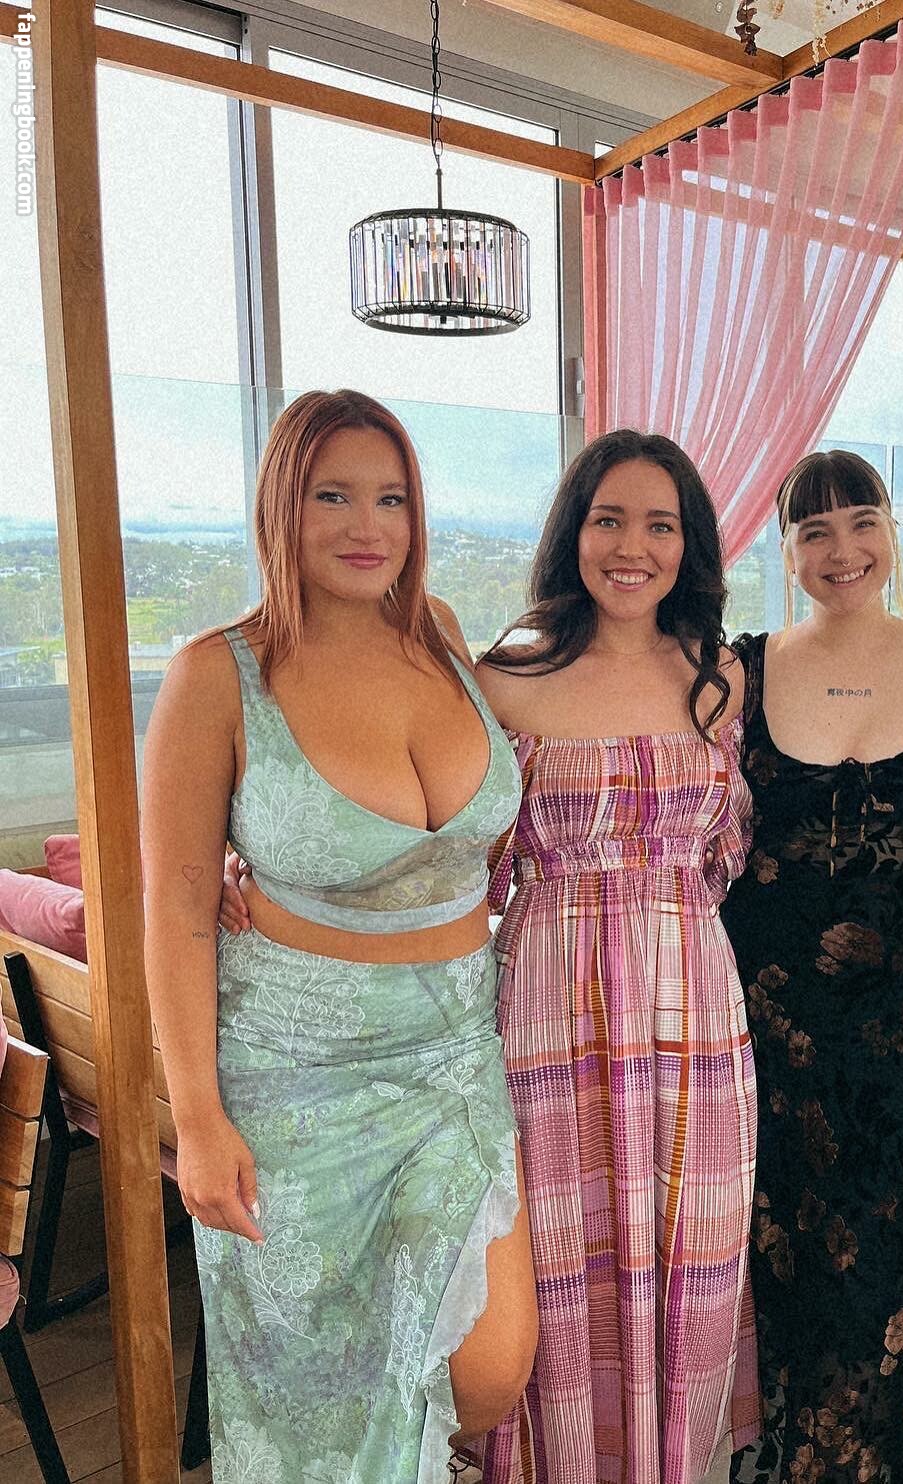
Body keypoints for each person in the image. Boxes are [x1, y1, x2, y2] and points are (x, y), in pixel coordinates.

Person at [145, 389, 537, 1482]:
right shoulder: (216, 674)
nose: (368, 525)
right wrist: (197, 1119)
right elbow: (174, 907)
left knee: (490, 1369)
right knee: (314, 1400)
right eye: (333, 496)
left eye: (392, 498)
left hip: (454, 1061)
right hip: (295, 1078)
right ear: (282, 505)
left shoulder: (442, 633)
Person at [475, 430, 757, 1484]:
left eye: (660, 524)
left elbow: (728, 857)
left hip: (696, 1012)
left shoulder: (719, 679)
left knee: (690, 1262)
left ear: (690, 545)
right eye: (609, 519)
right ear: (573, 532)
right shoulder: (506, 677)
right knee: (559, 1271)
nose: (632, 547)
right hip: (550, 1014)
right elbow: (440, 849)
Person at [722, 450, 903, 1484]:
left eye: (862, 520)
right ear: (785, 549)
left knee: (893, 1271)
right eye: (814, 530)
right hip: (766, 1034)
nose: (843, 550)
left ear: (893, 529)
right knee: (776, 1266)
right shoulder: (741, 671)